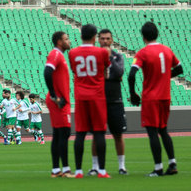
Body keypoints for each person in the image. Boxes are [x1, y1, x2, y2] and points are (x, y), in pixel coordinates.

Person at [128, 22, 183, 177]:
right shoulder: (167, 50)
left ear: (143, 37)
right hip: (165, 97)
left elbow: (132, 74)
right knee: (163, 130)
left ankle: (158, 168)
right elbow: (180, 69)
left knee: (152, 132)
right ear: (157, 34)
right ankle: (172, 163)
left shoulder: (142, 53)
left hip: (151, 98)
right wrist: (165, 78)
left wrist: (133, 94)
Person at [69, 24, 111, 178]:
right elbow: (106, 69)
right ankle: (101, 170)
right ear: (95, 37)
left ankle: (79, 170)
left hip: (80, 96)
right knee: (99, 133)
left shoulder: (73, 52)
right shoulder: (101, 52)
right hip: (97, 95)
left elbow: (74, 70)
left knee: (80, 133)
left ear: (81, 36)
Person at [88, 29, 128, 176]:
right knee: (96, 135)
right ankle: (94, 166)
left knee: (118, 135)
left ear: (111, 40)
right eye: (102, 39)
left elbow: (119, 72)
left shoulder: (118, 56)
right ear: (98, 40)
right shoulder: (93, 56)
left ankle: (122, 166)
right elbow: (93, 75)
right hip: (98, 101)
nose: (105, 41)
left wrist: (108, 58)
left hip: (115, 101)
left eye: (107, 39)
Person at [44, 31, 73, 178]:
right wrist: (55, 96)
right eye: (66, 39)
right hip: (59, 101)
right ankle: (65, 170)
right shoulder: (55, 54)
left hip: (60, 100)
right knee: (64, 133)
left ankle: (56, 169)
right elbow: (47, 72)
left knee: (58, 134)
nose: (69, 41)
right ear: (60, 42)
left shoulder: (60, 55)